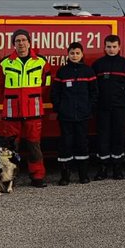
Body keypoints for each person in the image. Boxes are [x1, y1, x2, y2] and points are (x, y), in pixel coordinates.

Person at [0, 28, 49, 187]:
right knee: (10, 148)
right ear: (14, 44)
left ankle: (37, 177)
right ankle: (8, 179)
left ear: (29, 42)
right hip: (12, 112)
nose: (21, 43)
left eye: (24, 40)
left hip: (33, 112)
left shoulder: (41, 61)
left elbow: (46, 85)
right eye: (18, 41)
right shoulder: (5, 62)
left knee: (34, 147)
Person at [50, 41, 97, 185]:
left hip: (83, 115)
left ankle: (83, 175)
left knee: (82, 144)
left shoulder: (88, 71)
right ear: (68, 54)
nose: (75, 55)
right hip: (66, 116)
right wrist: (59, 108)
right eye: (72, 53)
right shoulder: (62, 71)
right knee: (66, 144)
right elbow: (55, 93)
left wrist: (89, 108)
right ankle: (65, 176)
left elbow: (94, 93)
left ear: (82, 54)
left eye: (77, 53)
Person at [92, 33, 125, 180]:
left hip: (120, 107)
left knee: (118, 136)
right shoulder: (98, 65)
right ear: (104, 47)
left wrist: (123, 98)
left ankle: (117, 168)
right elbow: (94, 87)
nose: (111, 49)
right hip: (102, 107)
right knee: (103, 137)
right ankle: (102, 168)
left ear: (119, 48)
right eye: (109, 47)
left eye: (114, 47)